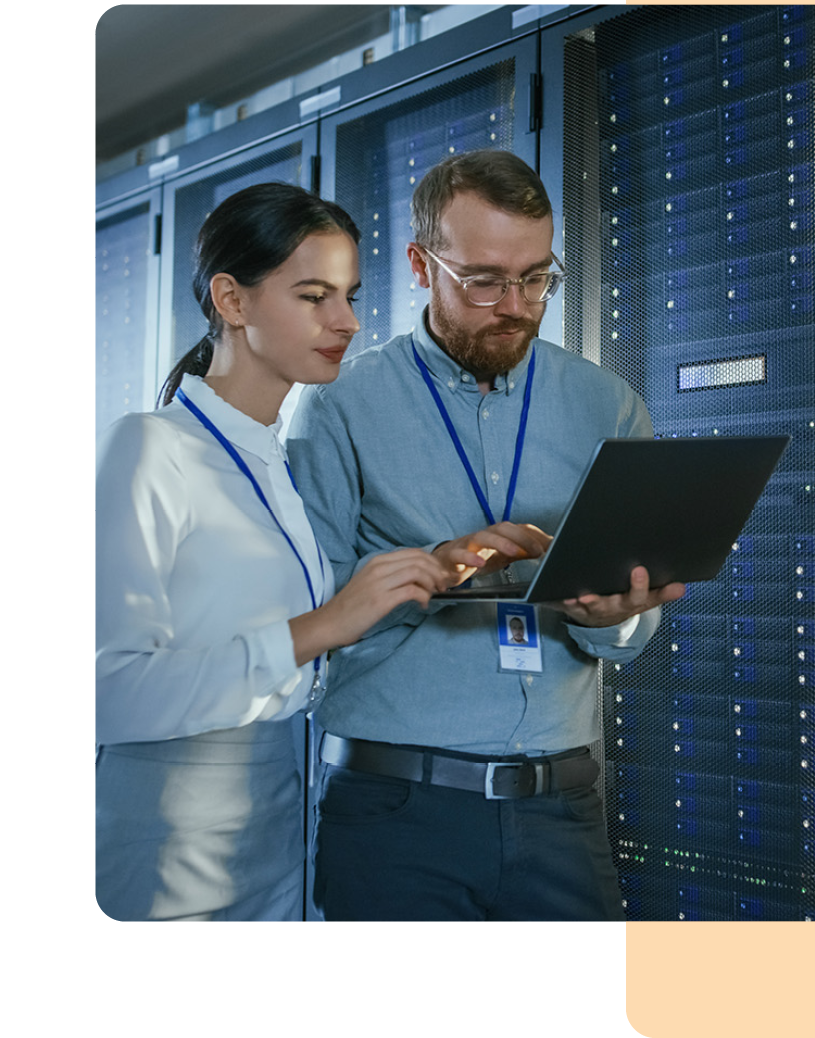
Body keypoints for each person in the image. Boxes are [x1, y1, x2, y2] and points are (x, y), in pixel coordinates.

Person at [287, 149, 686, 922]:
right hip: (397, 812)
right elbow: (307, 621)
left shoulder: (608, 405)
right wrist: (423, 577)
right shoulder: (341, 405)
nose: (515, 304)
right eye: (484, 280)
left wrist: (618, 616)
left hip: (562, 814)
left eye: (536, 278)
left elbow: (635, 619)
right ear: (418, 264)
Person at [95, 183, 475, 922]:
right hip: (173, 849)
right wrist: (326, 624)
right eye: (313, 296)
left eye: (350, 295)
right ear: (231, 301)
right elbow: (111, 691)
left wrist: (427, 567)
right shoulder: (149, 449)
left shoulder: (276, 463)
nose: (348, 322)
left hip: (282, 827)